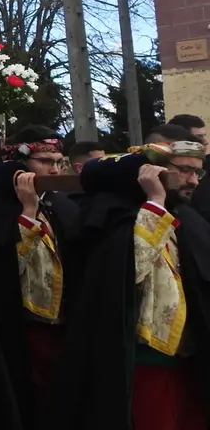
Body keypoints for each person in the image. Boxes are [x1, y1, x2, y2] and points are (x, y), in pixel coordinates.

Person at [54, 141, 210, 430]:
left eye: (198, 173)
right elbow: (130, 269)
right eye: (185, 170)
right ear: (152, 173)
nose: (193, 180)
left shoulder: (185, 216)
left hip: (189, 355)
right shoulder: (113, 218)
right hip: (145, 358)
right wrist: (155, 203)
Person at [0, 126, 81, 420]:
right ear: (21, 166)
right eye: (46, 162)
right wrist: (28, 212)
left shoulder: (61, 205)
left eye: (59, 162)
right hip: (25, 327)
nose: (55, 170)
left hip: (65, 327)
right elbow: (5, 268)